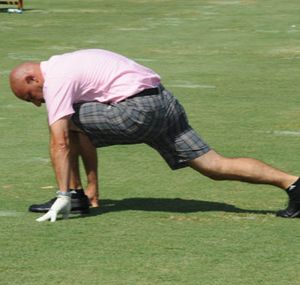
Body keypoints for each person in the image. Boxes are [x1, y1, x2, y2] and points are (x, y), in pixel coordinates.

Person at [9, 48, 300, 222]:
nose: (37, 102)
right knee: (214, 166)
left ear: (32, 78)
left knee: (64, 122)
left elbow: (60, 141)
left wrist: (62, 194)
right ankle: (293, 184)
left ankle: (73, 196)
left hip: (138, 111)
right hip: (163, 102)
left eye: (30, 96)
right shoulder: (70, 60)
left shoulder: (56, 78)